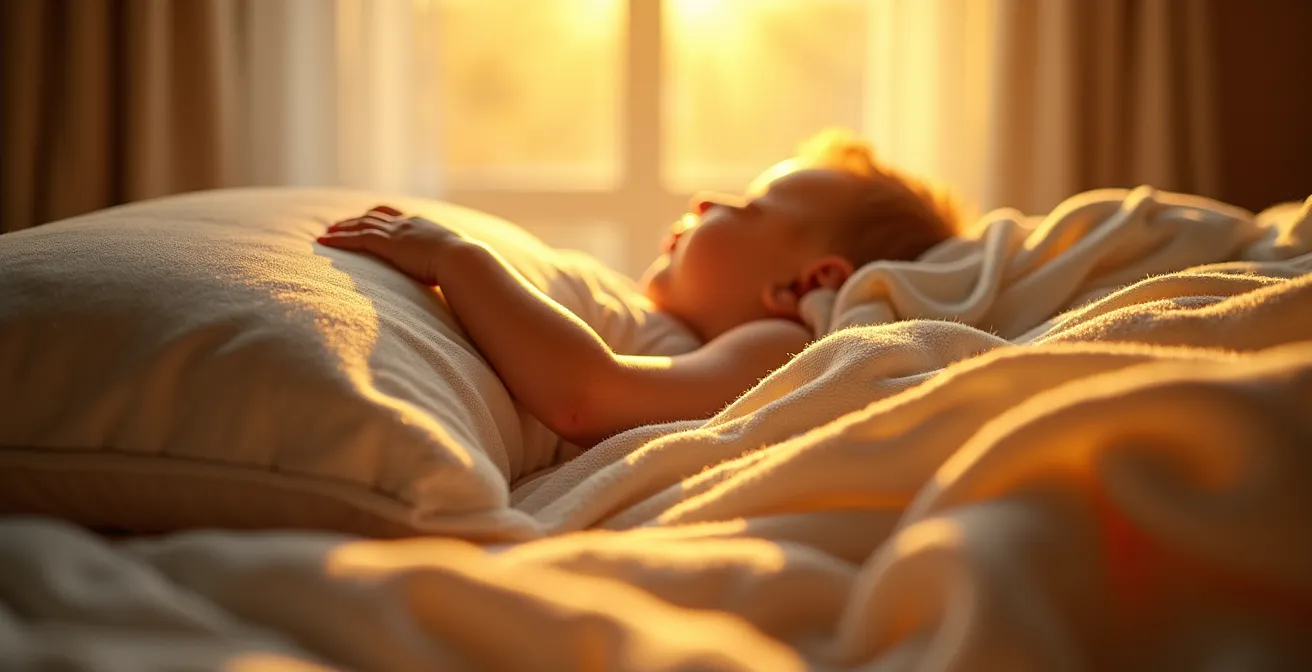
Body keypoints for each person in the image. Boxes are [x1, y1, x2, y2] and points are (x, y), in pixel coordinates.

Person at [317, 129, 959, 448]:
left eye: (751, 206)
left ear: (805, 283)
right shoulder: (720, 339)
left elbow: (587, 397)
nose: (708, 199)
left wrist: (456, 260)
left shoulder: (779, 346)